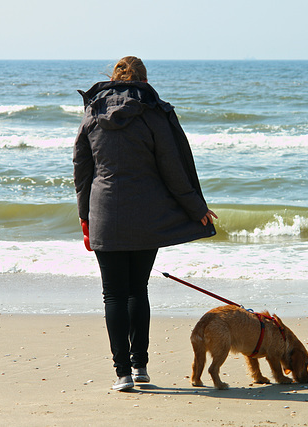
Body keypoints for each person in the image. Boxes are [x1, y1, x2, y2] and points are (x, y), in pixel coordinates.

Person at [73, 56, 217, 391]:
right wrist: (196, 207)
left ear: (113, 77)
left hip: (104, 213)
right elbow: (172, 168)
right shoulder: (152, 113)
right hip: (146, 216)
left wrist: (85, 217)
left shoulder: (92, 113)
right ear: (144, 79)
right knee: (138, 289)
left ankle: (122, 373)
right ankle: (140, 367)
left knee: (113, 294)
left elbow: (82, 172)